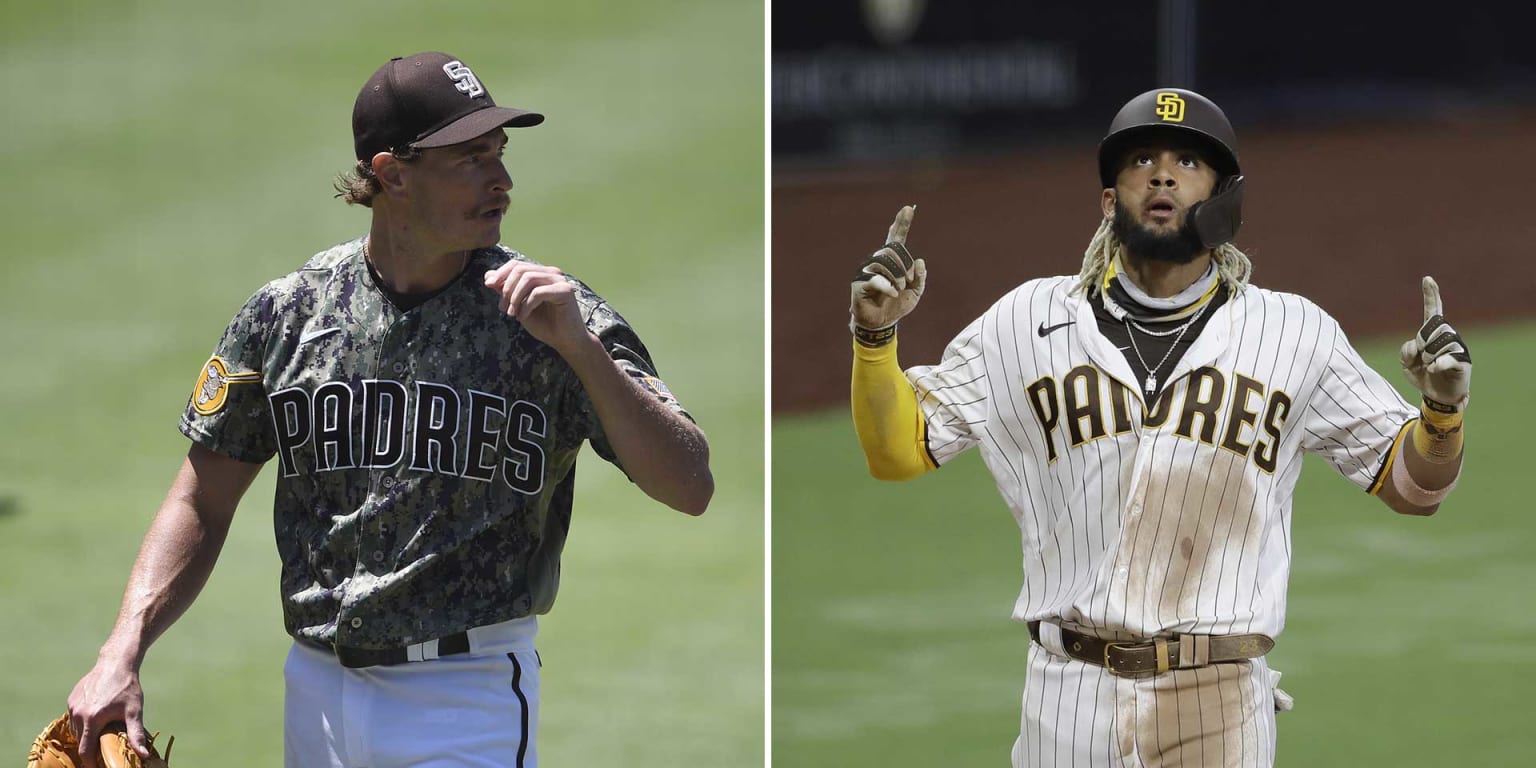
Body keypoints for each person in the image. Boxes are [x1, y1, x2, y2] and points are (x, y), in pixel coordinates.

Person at [65, 51, 713, 768]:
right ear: (392, 173)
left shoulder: (552, 314)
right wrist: (121, 651)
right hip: (314, 692)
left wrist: (582, 352)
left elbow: (689, 484)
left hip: (465, 696)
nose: (501, 180)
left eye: (499, 153)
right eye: (469, 158)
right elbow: (201, 499)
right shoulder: (290, 313)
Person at [848, 87, 1470, 766]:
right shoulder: (1022, 323)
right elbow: (898, 451)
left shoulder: (1295, 333)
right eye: (1141, 159)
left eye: (1189, 161)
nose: (1163, 174)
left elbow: (1414, 487)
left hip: (1219, 705)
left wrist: (1441, 414)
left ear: (1225, 198)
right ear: (1110, 202)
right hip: (1068, 701)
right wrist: (875, 337)